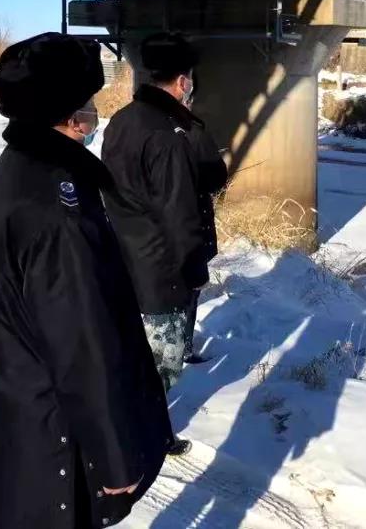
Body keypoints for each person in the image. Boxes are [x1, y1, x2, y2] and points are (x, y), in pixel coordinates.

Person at [0, 33, 170, 529]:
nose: (94, 114)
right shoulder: (56, 205)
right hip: (58, 434)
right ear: (71, 116)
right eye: (89, 102)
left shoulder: (14, 173)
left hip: (23, 414)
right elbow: (81, 339)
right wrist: (116, 456)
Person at [101, 32, 228, 445]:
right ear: (183, 81)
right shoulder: (169, 134)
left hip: (127, 252)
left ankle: (136, 429)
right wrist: (193, 266)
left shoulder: (122, 120)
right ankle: (143, 438)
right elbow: (179, 211)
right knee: (163, 362)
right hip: (162, 265)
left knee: (137, 350)